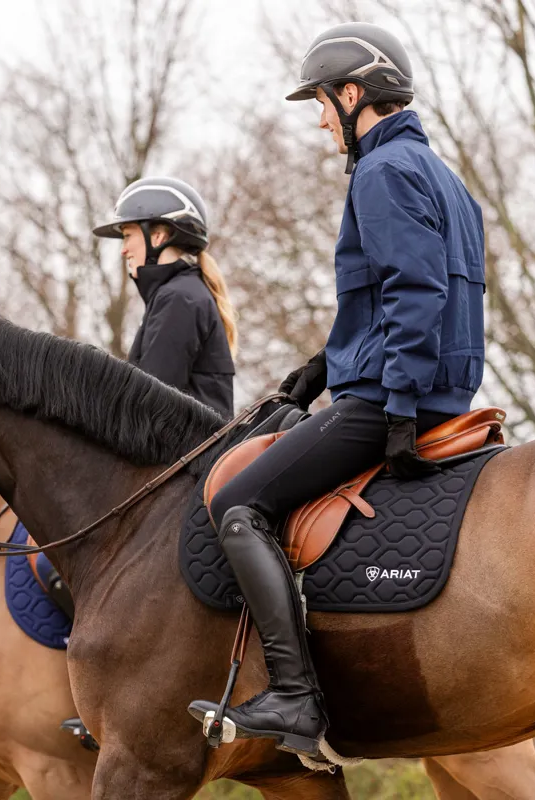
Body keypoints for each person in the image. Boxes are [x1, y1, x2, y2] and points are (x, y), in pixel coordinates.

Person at [191, 22, 486, 757]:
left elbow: (414, 291)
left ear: (353, 95)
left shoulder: (382, 174)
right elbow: (394, 301)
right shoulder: (443, 176)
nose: (322, 121)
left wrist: (400, 405)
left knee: (237, 504)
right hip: (420, 386)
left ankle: (295, 697)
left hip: (392, 401)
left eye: (322, 103)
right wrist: (322, 368)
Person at [93, 176, 237, 419]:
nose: (123, 249)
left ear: (157, 236)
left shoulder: (179, 299)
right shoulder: (178, 293)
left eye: (128, 235)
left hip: (189, 453)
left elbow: (149, 404)